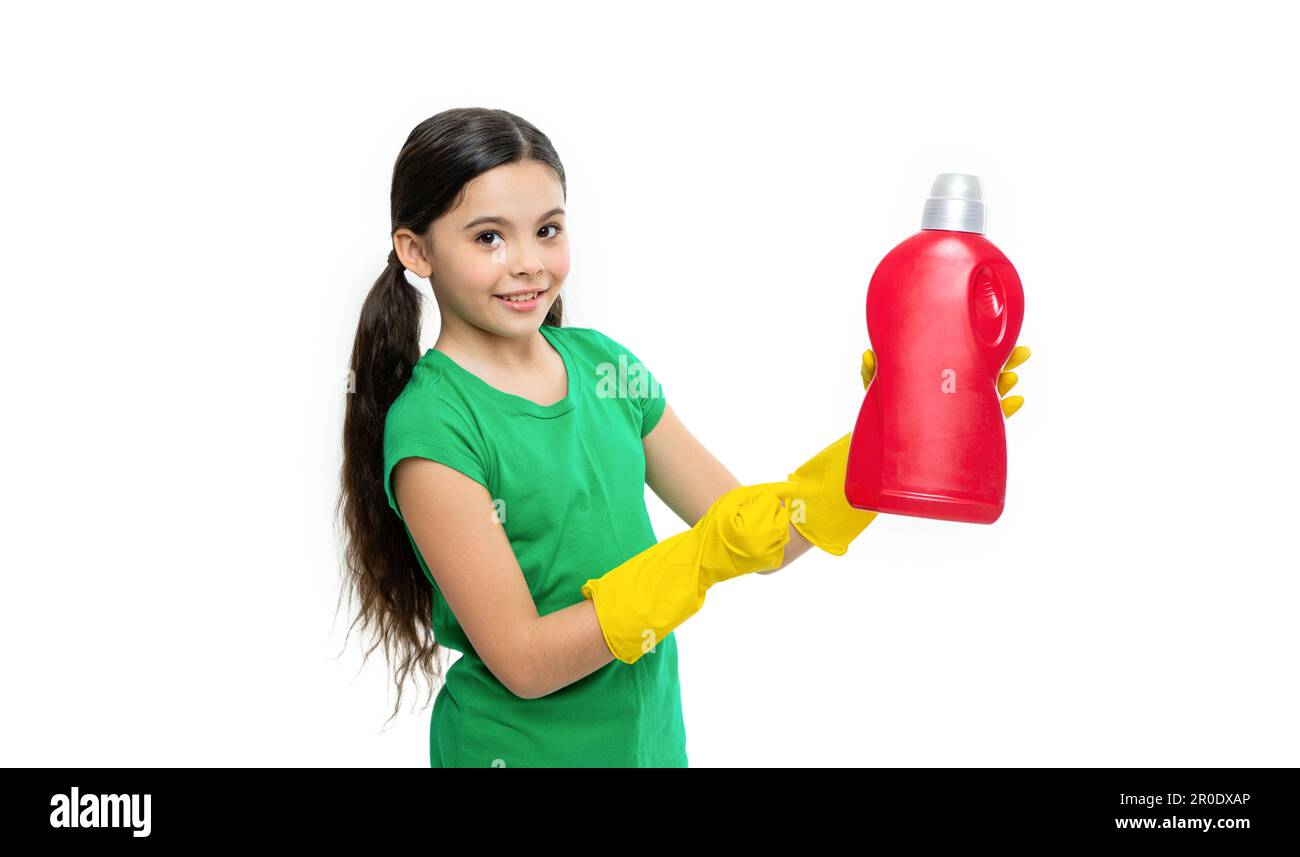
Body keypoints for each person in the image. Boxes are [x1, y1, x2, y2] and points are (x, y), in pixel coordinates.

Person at [336, 107, 1030, 767]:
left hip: (648, 747)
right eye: (489, 237)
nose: (527, 262)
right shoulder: (435, 426)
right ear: (416, 250)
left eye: (548, 229)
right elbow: (524, 660)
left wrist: (897, 436)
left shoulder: (605, 368)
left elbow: (760, 535)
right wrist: (695, 562)